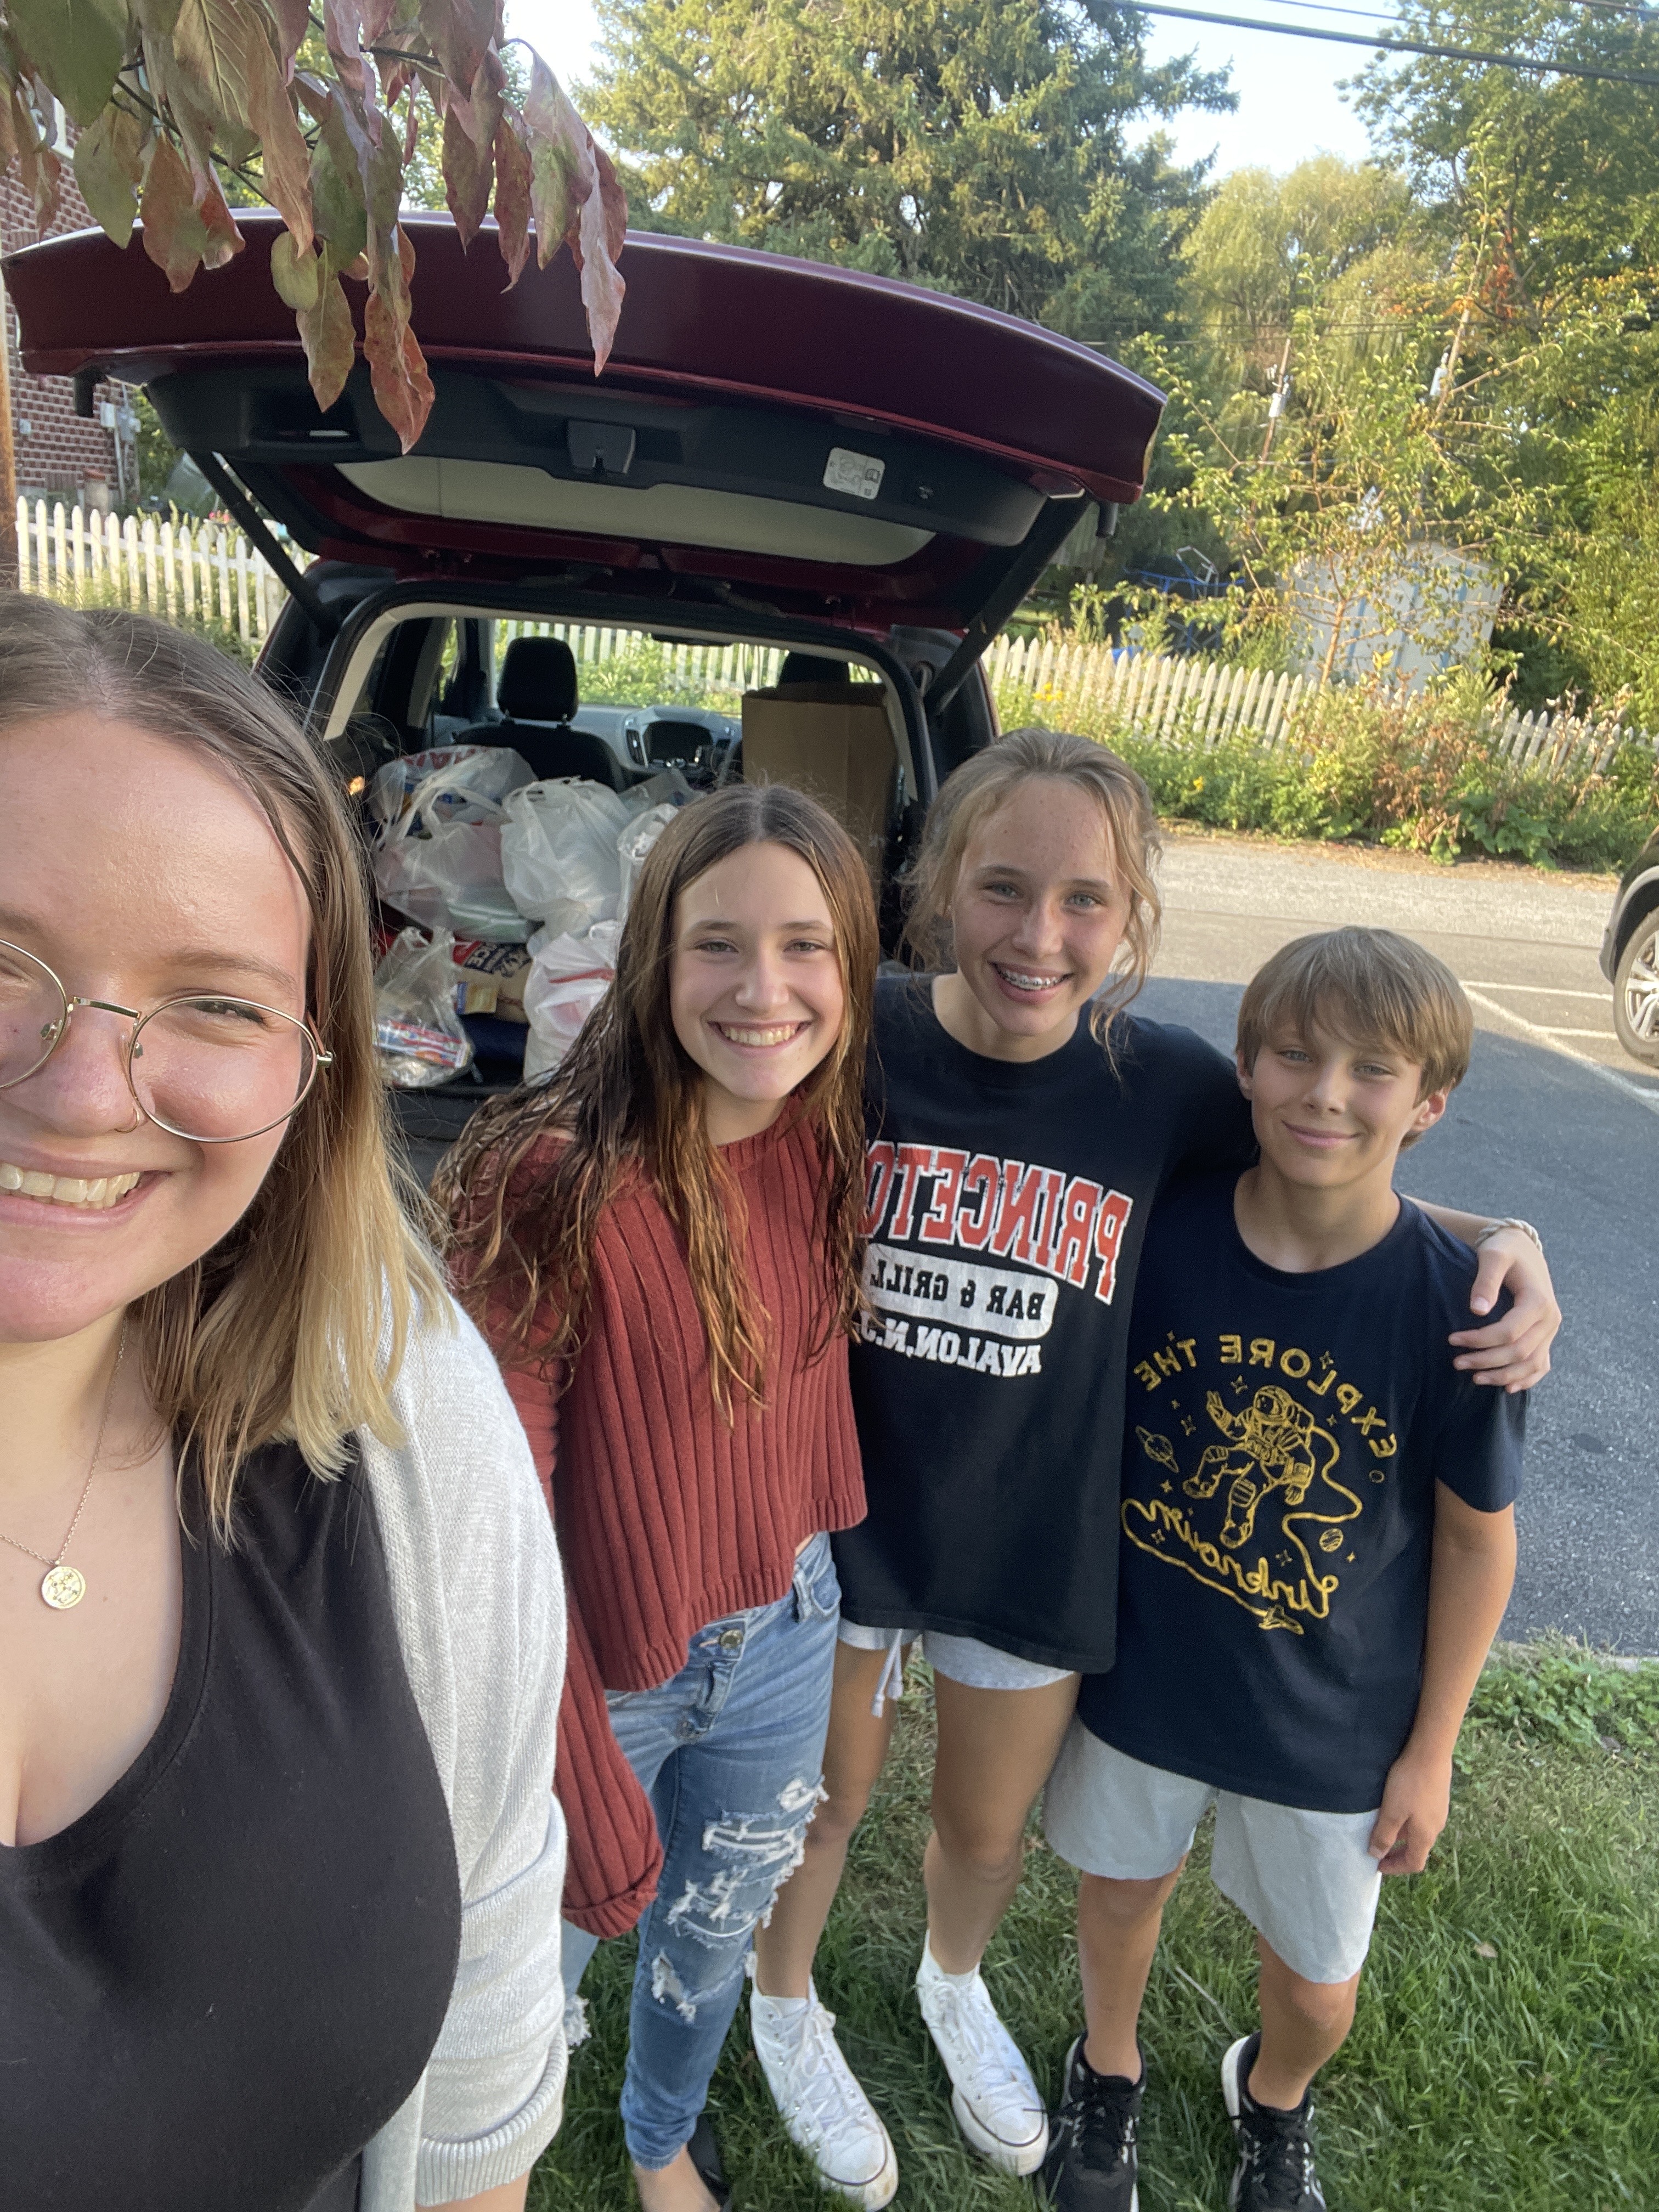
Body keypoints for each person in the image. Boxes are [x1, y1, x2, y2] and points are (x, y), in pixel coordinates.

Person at [748, 729, 1558, 2208]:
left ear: (1131, 921)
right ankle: (783, 2001)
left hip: (1030, 1537)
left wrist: (1503, 1240)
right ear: (940, 882)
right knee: (825, 1800)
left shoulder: (1161, 1082)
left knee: (984, 1827)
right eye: (1004, 888)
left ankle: (952, 1981)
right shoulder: (859, 1031)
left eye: (1086, 902)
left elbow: (1326, 1162)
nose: (1039, 936)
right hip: (841, 1514)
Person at [0, 597, 568, 2212]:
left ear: (317, 1067)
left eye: (219, 1002)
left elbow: (487, 2023)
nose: (85, 1090)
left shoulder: (400, 1406)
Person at [439, 785, 880, 2212]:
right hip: (597, 1663)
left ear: (854, 970)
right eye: (718, 945)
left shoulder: (827, 1130)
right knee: (518, 1981)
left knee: (712, 1928)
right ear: (652, 958)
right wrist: (572, 1763)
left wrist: (1461, 1239)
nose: (765, 990)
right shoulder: (545, 1179)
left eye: (806, 947)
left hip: (786, 1622)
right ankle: (485, 2161)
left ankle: (660, 2134)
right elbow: (493, 1520)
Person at [1041, 927, 1525, 2212]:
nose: (1327, 1094)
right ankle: (1107, 2067)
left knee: (1317, 1985)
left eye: (1374, 1071)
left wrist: (1432, 1750)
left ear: (1429, 1104)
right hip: (1148, 1668)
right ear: (1246, 1066)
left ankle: (1273, 2095)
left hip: (1334, 1714)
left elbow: (1477, 1539)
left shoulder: (1462, 1312)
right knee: (1119, 1895)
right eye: (1298, 1055)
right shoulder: (1160, 1238)